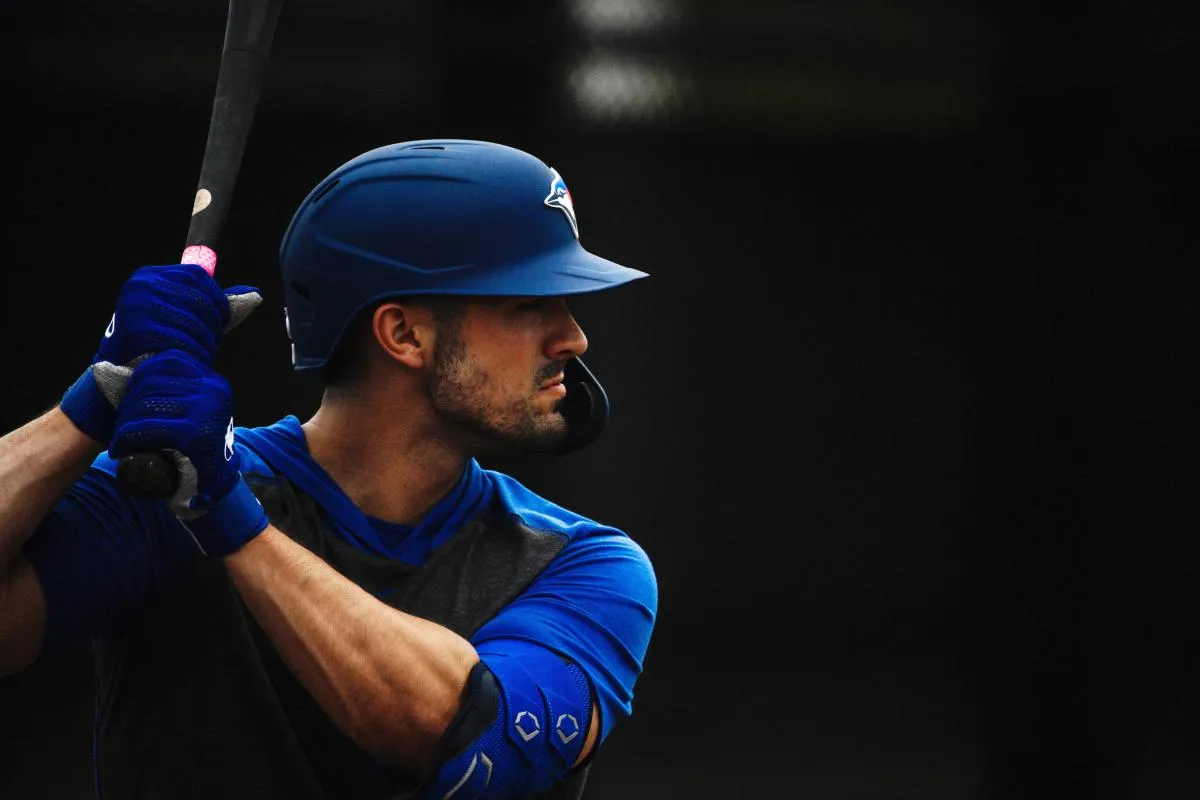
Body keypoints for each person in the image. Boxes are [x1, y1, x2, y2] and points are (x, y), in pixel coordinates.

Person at [0, 139, 658, 799]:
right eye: (529, 304)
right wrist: (89, 406)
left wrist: (224, 515)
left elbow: (457, 736)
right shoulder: (168, 488)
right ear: (403, 335)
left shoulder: (581, 563)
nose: (573, 338)